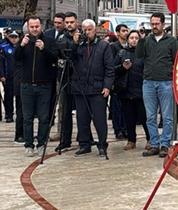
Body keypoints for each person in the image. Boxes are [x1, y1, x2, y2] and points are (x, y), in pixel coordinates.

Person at [70, 19, 114, 157]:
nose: (87, 32)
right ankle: (84, 144)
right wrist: (75, 44)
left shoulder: (103, 46)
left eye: (89, 29)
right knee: (82, 118)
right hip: (80, 87)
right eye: (84, 29)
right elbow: (69, 59)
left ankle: (102, 145)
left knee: (99, 119)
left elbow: (109, 68)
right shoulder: (78, 45)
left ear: (95, 31)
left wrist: (107, 86)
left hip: (97, 88)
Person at [137, 13, 178, 157]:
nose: (154, 27)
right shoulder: (147, 40)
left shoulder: (171, 41)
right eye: (152, 24)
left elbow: (176, 59)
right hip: (148, 82)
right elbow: (138, 55)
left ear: (162, 24)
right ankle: (154, 144)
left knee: (167, 116)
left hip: (165, 82)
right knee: (150, 116)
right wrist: (141, 40)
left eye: (156, 24)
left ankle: (165, 144)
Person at [16, 17, 58, 157]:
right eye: (32, 26)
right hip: (26, 85)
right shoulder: (24, 40)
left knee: (44, 117)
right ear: (28, 27)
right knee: (27, 118)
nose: (34, 29)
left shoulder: (49, 41)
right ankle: (28, 144)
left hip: (44, 85)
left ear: (41, 27)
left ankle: (41, 143)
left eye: (37, 26)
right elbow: (16, 58)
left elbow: (54, 59)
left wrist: (43, 49)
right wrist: (21, 46)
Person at [115, 30, 149, 150]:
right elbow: (113, 69)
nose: (134, 40)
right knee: (128, 118)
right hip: (125, 90)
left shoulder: (144, 54)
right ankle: (131, 140)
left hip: (141, 90)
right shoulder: (121, 53)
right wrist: (122, 68)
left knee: (144, 117)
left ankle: (149, 139)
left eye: (136, 38)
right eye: (131, 38)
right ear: (128, 39)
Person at [54, 12, 78, 152]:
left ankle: (84, 138)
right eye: (67, 22)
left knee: (82, 111)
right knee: (65, 110)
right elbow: (59, 54)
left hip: (80, 76)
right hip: (65, 76)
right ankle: (65, 139)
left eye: (71, 22)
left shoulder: (81, 36)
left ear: (76, 22)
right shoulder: (61, 38)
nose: (69, 25)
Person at [109, 24, 129, 140]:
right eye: (123, 31)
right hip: (117, 80)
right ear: (117, 33)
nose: (125, 33)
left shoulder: (128, 47)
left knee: (125, 107)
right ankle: (118, 130)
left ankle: (125, 128)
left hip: (127, 81)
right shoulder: (114, 47)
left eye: (127, 31)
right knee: (116, 106)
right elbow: (111, 65)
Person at [0, 30, 19, 123]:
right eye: (12, 37)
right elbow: (1, 62)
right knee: (8, 96)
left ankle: (20, 115)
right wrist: (2, 75)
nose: (14, 39)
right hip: (8, 76)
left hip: (19, 76)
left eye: (15, 37)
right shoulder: (4, 47)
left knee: (19, 97)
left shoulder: (21, 47)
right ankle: (9, 114)